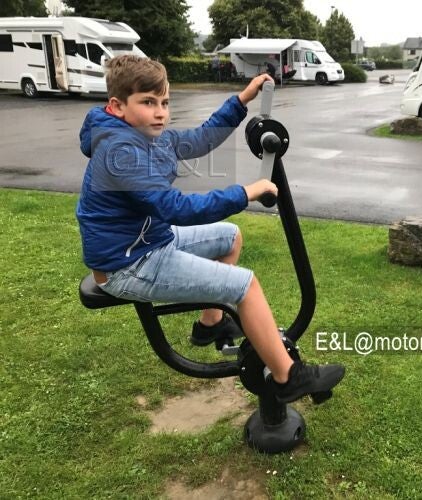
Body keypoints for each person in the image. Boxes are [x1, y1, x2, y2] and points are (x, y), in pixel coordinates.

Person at [75, 55, 344, 403]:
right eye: (148, 102)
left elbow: (201, 139)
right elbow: (175, 208)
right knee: (244, 285)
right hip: (127, 264)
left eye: (164, 102)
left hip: (148, 240)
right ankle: (287, 377)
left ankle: (210, 324)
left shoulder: (147, 136)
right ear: (117, 106)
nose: (160, 112)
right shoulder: (120, 152)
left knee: (230, 237)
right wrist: (245, 193)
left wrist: (242, 100)